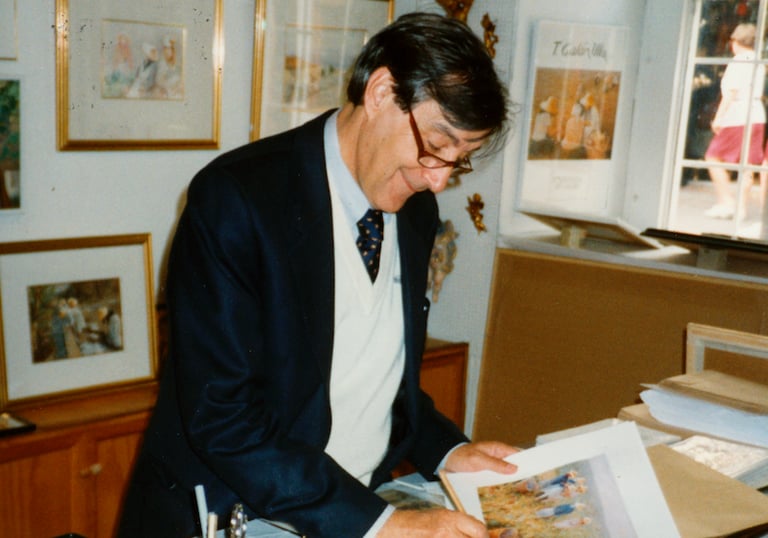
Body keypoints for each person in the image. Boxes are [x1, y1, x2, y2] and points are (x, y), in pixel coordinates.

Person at [118, 12, 519, 538]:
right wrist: (380, 525)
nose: (438, 179)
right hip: (235, 517)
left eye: (459, 159)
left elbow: (381, 379)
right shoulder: (237, 200)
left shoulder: (415, 209)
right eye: (437, 146)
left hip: (351, 512)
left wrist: (447, 451)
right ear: (380, 92)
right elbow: (224, 419)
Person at [703, 22, 765, 220]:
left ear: (735, 41)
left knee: (713, 156)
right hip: (757, 115)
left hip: (738, 115)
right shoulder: (758, 61)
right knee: (747, 164)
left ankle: (726, 202)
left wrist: (719, 117)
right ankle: (740, 209)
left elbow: (731, 92)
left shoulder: (738, 61)